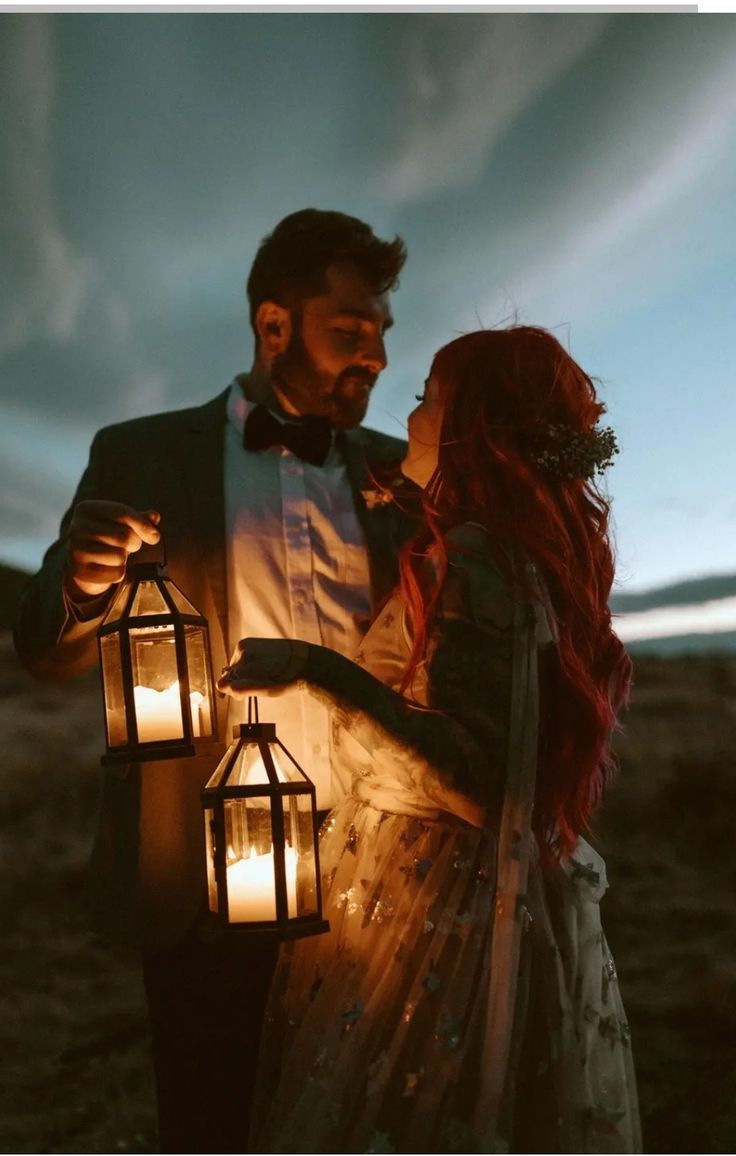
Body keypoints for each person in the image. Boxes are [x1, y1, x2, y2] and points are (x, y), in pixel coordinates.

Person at [13, 209, 417, 1153]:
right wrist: (79, 582)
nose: (377, 357)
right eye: (350, 330)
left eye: (383, 334)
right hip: (206, 872)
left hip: (385, 872)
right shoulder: (141, 452)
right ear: (274, 325)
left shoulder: (405, 472)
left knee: (374, 1123)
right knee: (212, 1121)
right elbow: (45, 645)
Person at [218, 325, 642, 1154]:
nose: (407, 413)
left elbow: (478, 784)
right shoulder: (516, 552)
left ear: (469, 427)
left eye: (427, 399)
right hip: (471, 893)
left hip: (438, 909)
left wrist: (315, 668)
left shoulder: (479, 560)